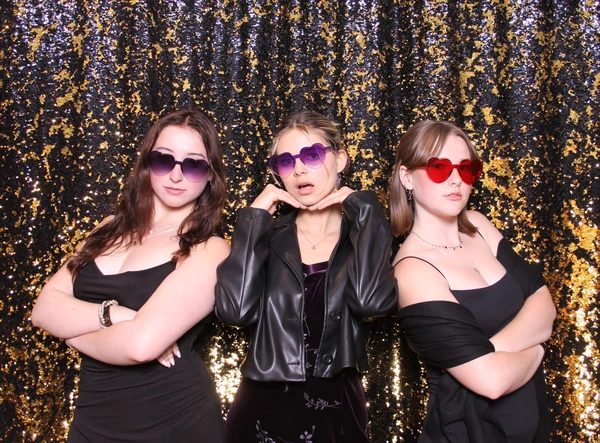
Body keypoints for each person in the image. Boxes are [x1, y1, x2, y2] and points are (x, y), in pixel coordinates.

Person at [31, 108, 229, 442]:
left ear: (211, 175)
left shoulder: (209, 249)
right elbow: (43, 310)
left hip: (173, 420)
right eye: (165, 160)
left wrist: (69, 333)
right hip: (93, 417)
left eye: (193, 164)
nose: (176, 176)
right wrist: (115, 314)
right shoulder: (107, 229)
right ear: (147, 162)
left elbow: (140, 346)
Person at [215, 110, 397, 443]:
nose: (299, 168)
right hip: (261, 411)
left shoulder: (362, 233)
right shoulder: (268, 237)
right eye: (285, 161)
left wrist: (367, 212)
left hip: (336, 410)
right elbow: (235, 311)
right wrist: (254, 220)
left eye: (312, 155)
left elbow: (371, 303)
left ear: (340, 160)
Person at [389, 120, 556, 442]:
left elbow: (544, 306)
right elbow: (490, 381)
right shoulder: (412, 269)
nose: (455, 179)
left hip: (532, 423)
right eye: (438, 167)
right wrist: (537, 349)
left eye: (466, 168)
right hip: (468, 432)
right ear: (407, 177)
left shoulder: (479, 226)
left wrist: (491, 351)